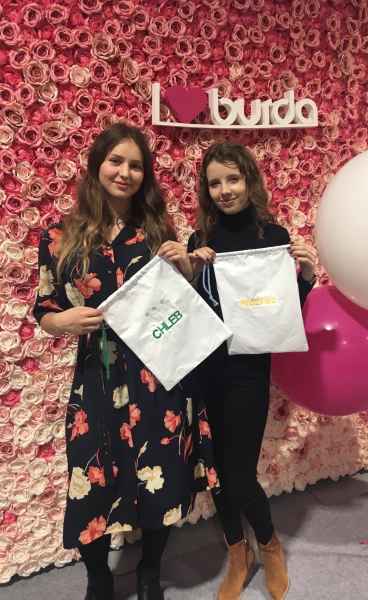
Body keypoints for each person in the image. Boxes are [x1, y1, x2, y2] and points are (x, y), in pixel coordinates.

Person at [33, 122, 218, 600]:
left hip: (159, 373)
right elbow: (44, 309)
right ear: (97, 166)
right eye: (116, 161)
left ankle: (150, 572)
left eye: (136, 165)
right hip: (97, 374)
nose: (125, 172)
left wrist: (186, 269)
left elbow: (178, 304)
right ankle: (98, 577)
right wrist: (60, 321)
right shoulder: (58, 237)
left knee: (162, 473)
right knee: (91, 480)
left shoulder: (156, 232)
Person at [187, 142, 316, 600]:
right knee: (217, 474)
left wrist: (305, 277)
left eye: (233, 179)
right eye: (215, 183)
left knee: (239, 473)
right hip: (204, 369)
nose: (224, 190)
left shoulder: (273, 236)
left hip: (247, 372)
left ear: (249, 181)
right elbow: (189, 312)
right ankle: (237, 553)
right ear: (206, 189)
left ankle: (269, 544)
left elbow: (283, 312)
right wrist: (188, 271)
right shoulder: (198, 240)